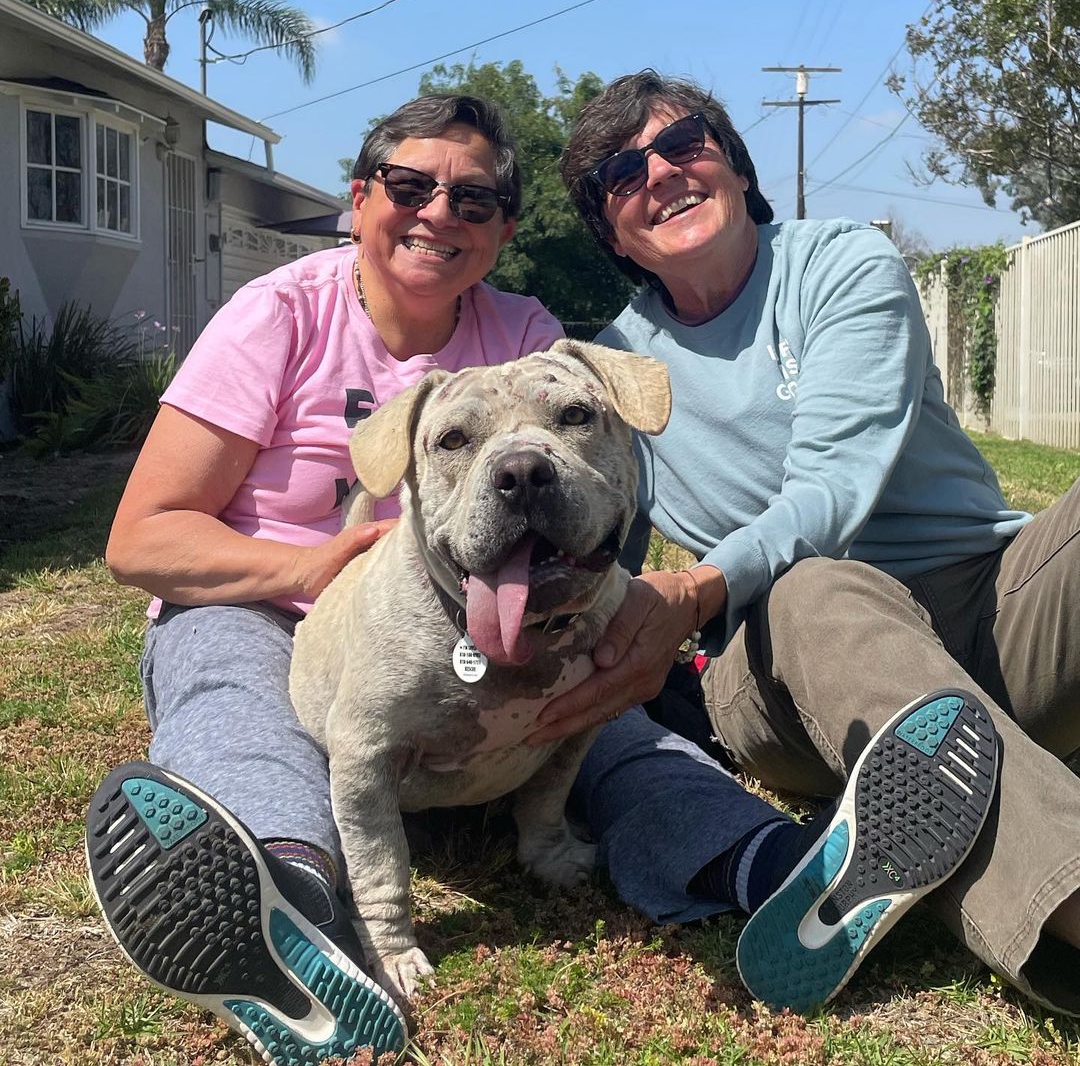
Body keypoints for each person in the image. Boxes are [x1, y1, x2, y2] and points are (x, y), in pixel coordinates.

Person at [538, 69, 1080, 1017]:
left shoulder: (843, 264)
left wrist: (698, 584)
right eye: (624, 172)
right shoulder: (612, 372)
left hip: (985, 606)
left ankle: (943, 771)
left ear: (737, 164)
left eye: (684, 144)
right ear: (609, 231)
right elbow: (596, 554)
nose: (661, 173)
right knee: (814, 584)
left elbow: (830, 484)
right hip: (787, 660)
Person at [85, 93, 563, 1065]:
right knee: (247, 710)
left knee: (612, 719)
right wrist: (308, 564)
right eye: (410, 186)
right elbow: (142, 538)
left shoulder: (522, 336)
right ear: (359, 199)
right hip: (264, 608)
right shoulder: (278, 315)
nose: (439, 214)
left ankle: (751, 860)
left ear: (505, 230)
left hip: (449, 624)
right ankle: (285, 904)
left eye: (474, 201)